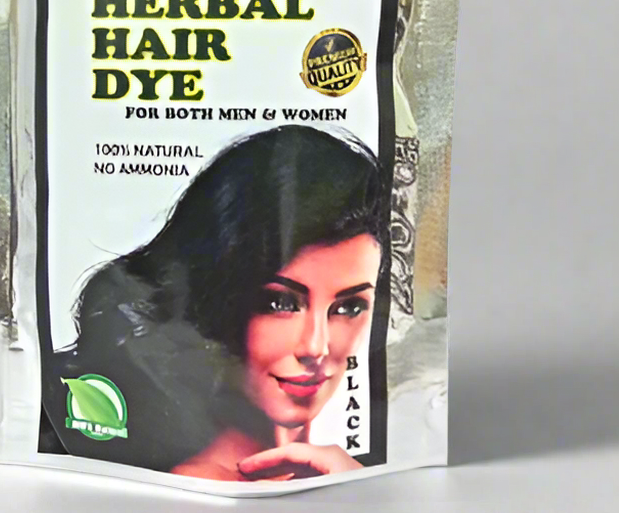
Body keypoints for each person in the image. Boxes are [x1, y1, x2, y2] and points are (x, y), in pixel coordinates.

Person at [44, 124, 386, 481]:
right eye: (280, 303)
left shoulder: (348, 470)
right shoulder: (179, 482)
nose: (316, 348)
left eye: (349, 307)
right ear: (216, 297)